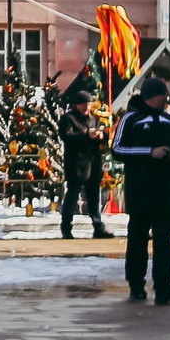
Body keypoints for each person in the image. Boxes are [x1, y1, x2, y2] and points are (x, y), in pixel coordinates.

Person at [110, 78, 170, 305]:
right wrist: (149, 152)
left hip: (166, 190)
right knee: (137, 238)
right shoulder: (131, 119)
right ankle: (136, 284)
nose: (166, 98)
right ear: (153, 95)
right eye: (163, 94)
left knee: (164, 240)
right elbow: (117, 149)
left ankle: (164, 286)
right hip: (141, 190)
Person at [56, 94, 113, 240]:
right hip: (76, 164)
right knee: (72, 196)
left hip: (93, 163)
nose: (87, 108)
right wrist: (87, 135)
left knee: (94, 197)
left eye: (89, 105)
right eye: (84, 105)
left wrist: (102, 136)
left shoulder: (94, 118)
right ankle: (66, 227)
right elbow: (67, 136)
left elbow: (105, 132)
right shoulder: (68, 119)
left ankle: (98, 226)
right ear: (76, 105)